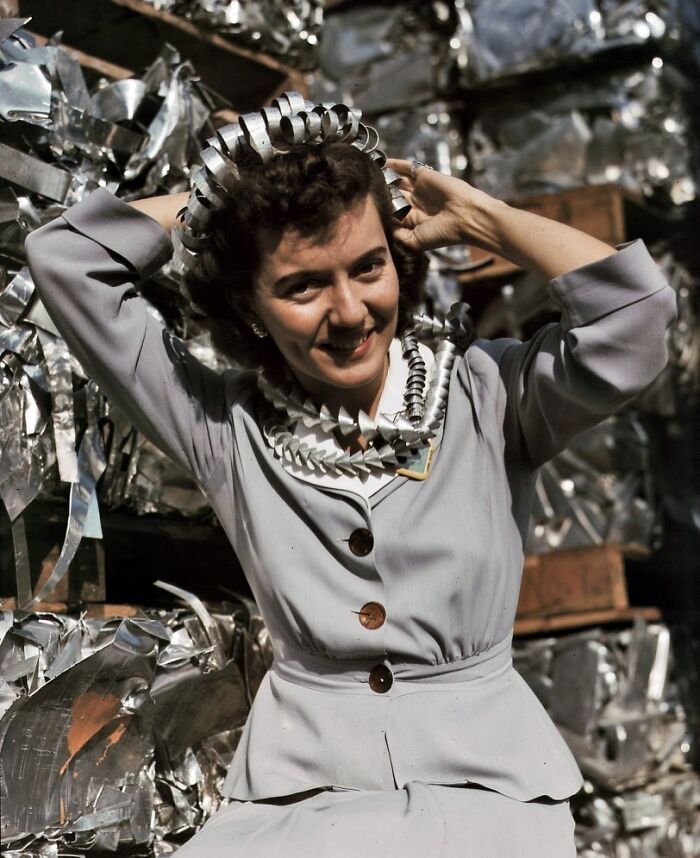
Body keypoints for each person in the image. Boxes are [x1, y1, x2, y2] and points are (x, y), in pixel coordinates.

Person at [25, 104, 676, 857]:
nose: (349, 312)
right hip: (298, 805)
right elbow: (67, 262)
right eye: (302, 286)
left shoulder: (490, 395)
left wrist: (484, 219)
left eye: (368, 267)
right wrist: (223, 195)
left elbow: (636, 317)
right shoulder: (221, 428)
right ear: (249, 306)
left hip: (491, 797)